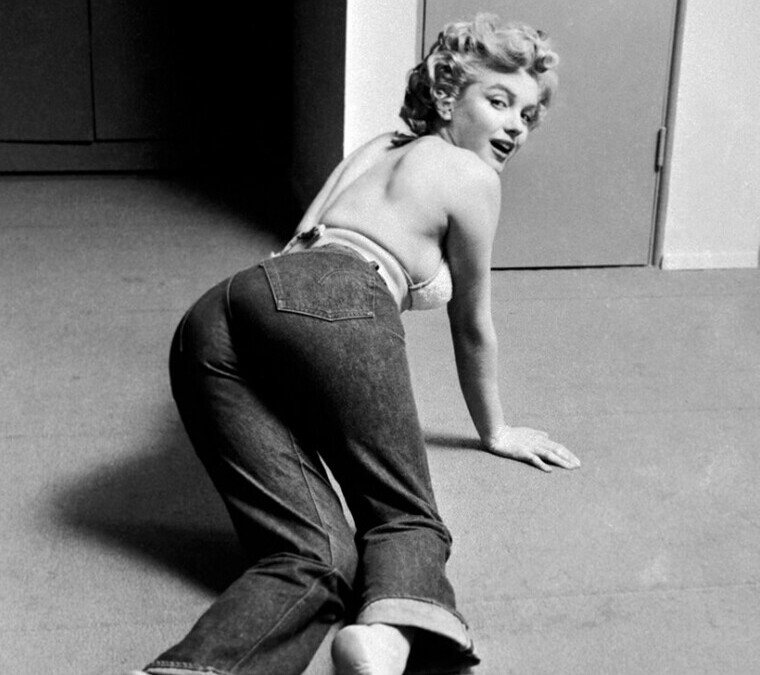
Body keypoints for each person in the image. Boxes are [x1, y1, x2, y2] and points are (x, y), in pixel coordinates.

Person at [132, 12, 580, 675]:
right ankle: (385, 639)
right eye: (499, 100)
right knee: (405, 519)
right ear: (447, 94)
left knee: (313, 554)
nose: (516, 124)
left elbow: (294, 251)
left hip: (221, 312)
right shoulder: (472, 177)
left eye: (528, 114)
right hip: (337, 296)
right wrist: (496, 430)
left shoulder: (377, 148)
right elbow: (472, 321)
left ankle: (191, 670)